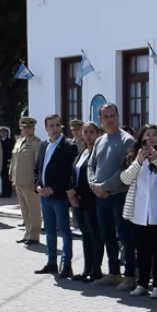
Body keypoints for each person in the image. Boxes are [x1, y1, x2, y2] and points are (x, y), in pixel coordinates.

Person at [88, 103, 136, 290]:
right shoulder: (100, 141)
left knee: (125, 236)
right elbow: (91, 166)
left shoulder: (127, 140)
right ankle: (114, 273)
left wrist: (105, 186)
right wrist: (94, 185)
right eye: (105, 116)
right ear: (100, 119)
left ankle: (130, 275)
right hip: (101, 197)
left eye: (112, 115)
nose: (109, 119)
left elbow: (125, 169)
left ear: (118, 116)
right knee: (107, 235)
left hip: (120, 195)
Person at [120, 124, 157, 298]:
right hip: (139, 213)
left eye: (154, 135)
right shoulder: (133, 157)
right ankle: (142, 283)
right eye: (147, 134)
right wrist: (139, 162)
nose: (151, 138)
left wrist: (155, 158)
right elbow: (125, 179)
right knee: (142, 250)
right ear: (141, 138)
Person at [33, 114, 78, 278]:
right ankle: (51, 262)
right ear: (46, 128)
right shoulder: (44, 145)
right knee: (49, 231)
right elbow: (37, 169)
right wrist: (37, 186)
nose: (54, 129)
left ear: (61, 126)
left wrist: (55, 189)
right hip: (44, 196)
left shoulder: (69, 147)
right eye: (51, 126)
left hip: (59, 197)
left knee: (65, 231)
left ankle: (67, 265)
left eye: (57, 125)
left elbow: (69, 175)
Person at [67, 121, 104, 282]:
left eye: (91, 132)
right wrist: (71, 194)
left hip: (91, 199)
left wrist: (76, 191)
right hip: (78, 201)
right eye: (85, 132)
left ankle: (96, 270)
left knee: (94, 235)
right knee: (85, 235)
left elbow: (93, 178)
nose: (88, 135)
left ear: (97, 134)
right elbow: (73, 174)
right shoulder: (81, 152)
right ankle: (86, 269)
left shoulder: (98, 154)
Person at [10, 117, 42, 245]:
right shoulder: (19, 142)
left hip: (30, 182)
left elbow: (38, 164)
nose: (26, 129)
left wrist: (36, 181)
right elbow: (14, 161)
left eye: (29, 127)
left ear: (33, 128)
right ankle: (27, 233)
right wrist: (12, 176)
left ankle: (34, 235)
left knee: (33, 209)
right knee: (24, 209)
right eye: (24, 127)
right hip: (18, 180)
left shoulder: (36, 143)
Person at [0, 127, 14, 198]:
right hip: (1, 161)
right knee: (3, 177)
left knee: (8, 177)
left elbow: (11, 152)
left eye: (4, 132)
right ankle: (4, 192)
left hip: (7, 161)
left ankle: (8, 193)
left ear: (7, 133)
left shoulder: (10, 141)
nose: (3, 133)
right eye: (1, 132)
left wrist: (10, 161)